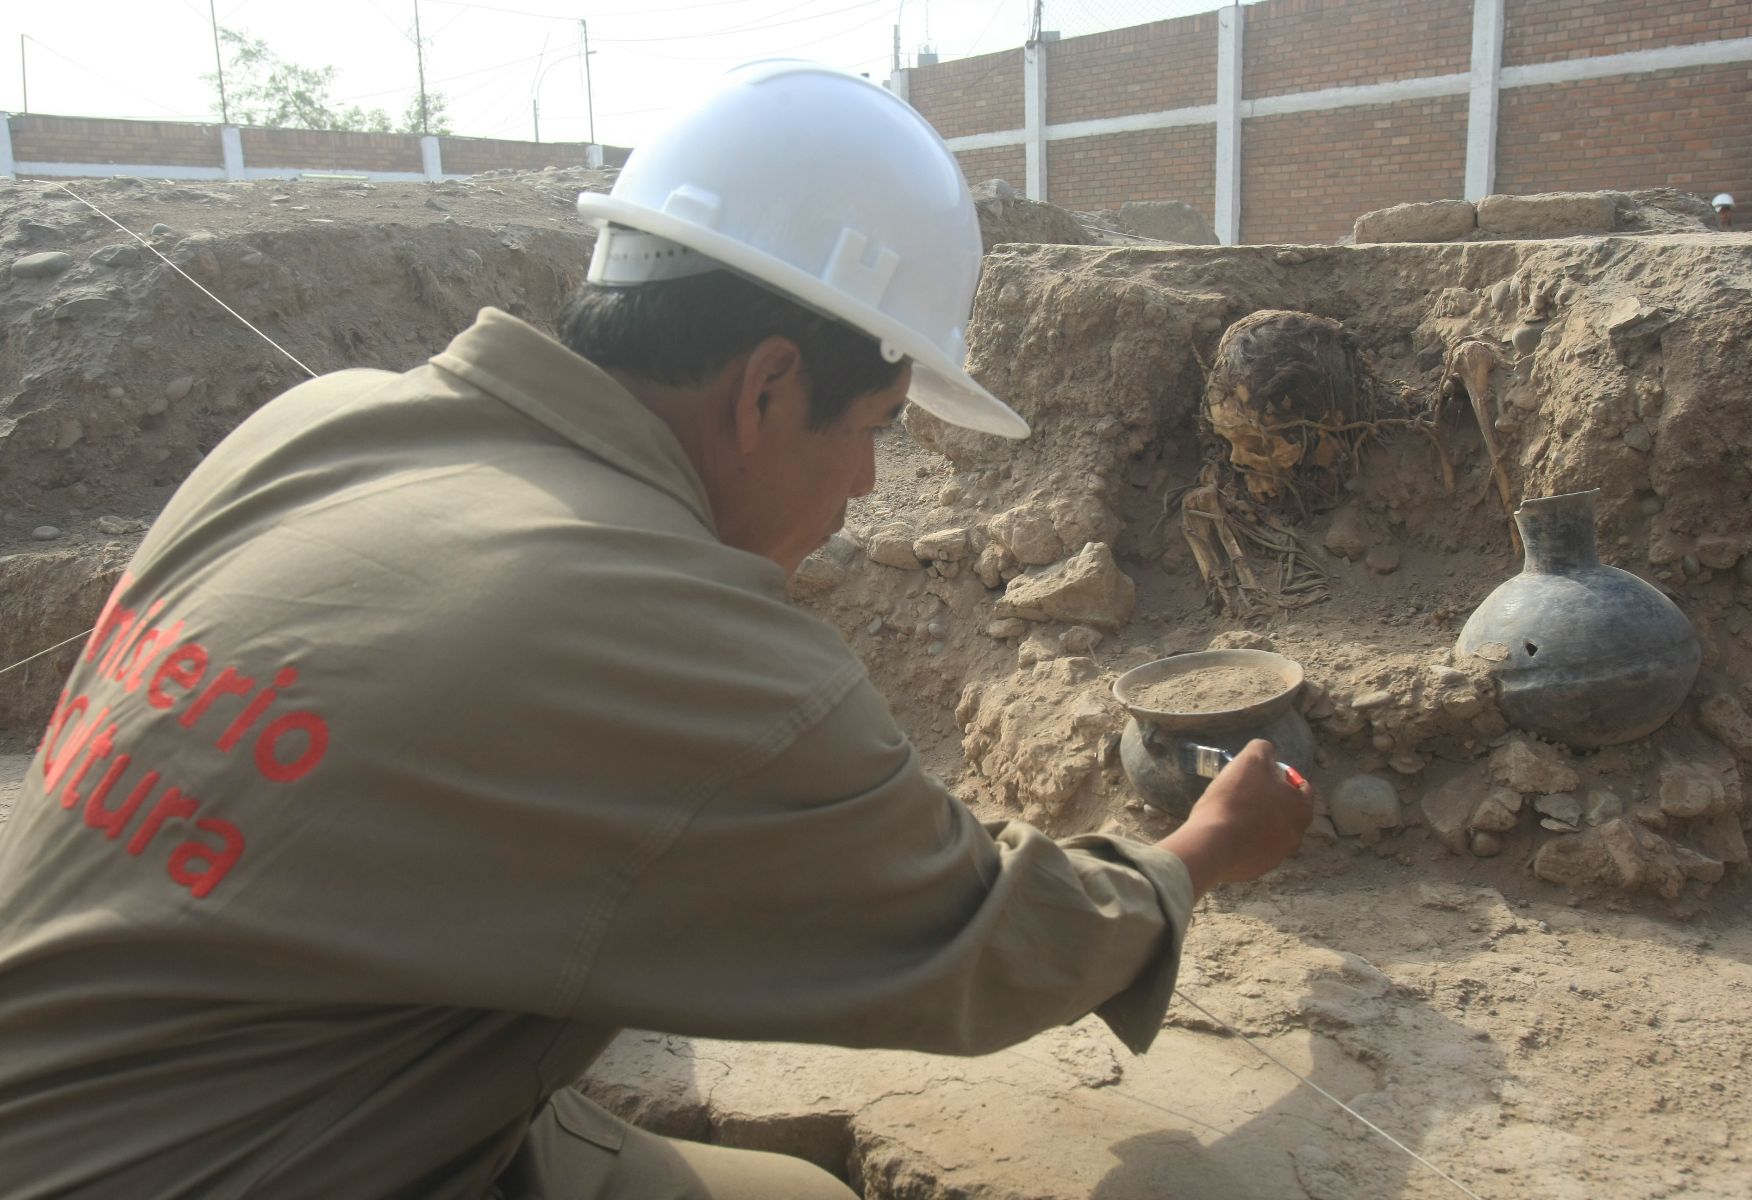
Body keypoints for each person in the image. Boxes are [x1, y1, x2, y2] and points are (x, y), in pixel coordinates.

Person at [0, 62, 1310, 1199]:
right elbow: (979, 934)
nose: (864, 489)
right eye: (872, 434)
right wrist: (1196, 855)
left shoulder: (318, 425)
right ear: (768, 389)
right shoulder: (670, 633)